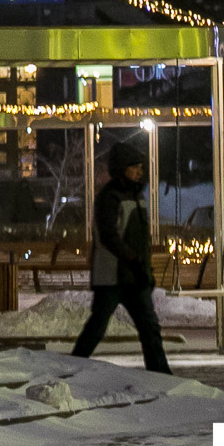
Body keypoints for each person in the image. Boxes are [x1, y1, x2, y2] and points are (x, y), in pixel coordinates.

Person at [71, 138, 170, 375]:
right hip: (113, 276)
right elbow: (109, 236)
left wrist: (143, 268)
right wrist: (134, 260)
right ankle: (73, 366)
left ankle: (161, 374)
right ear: (122, 168)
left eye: (140, 167)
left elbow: (138, 240)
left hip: (133, 276)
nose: (140, 171)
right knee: (99, 326)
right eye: (134, 166)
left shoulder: (136, 196)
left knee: (149, 327)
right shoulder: (111, 197)